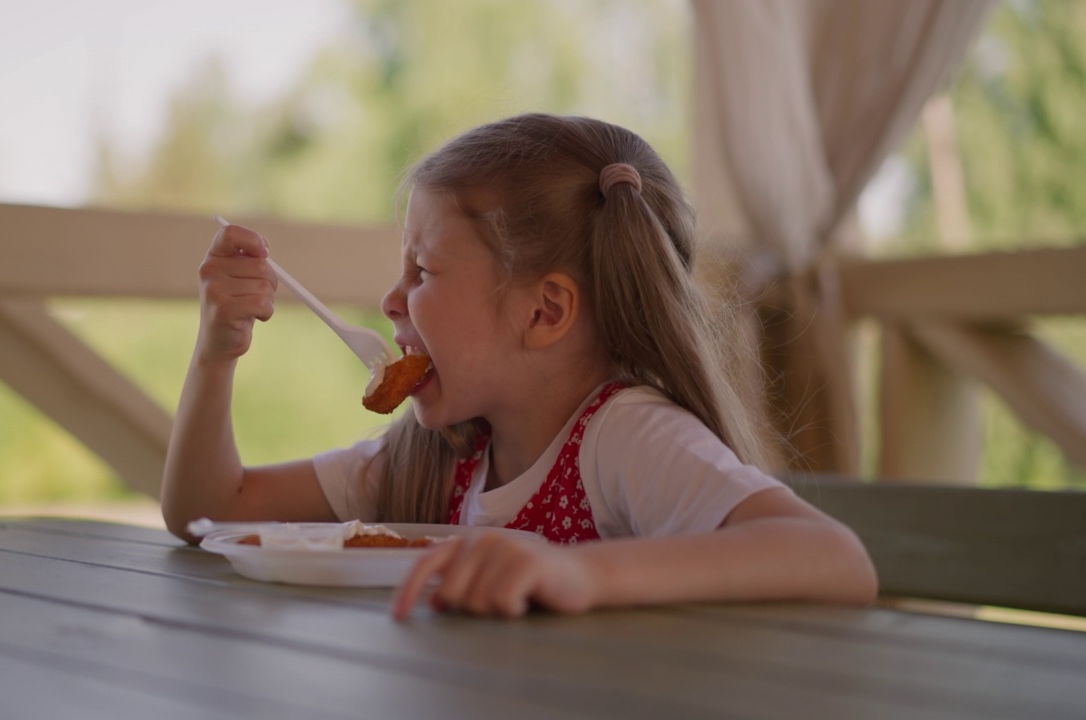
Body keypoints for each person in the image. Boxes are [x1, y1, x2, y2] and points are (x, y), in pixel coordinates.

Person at [162, 113, 878, 619]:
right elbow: (211, 511)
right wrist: (215, 354)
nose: (389, 300)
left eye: (422, 269)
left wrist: (575, 570)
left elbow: (835, 559)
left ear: (544, 312)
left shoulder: (622, 435)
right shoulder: (436, 458)